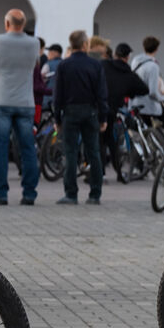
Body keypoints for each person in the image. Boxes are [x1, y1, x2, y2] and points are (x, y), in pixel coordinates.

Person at [0, 9, 40, 205]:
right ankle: (29, 194)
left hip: (0, 100)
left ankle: (0, 194)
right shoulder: (35, 43)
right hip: (25, 102)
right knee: (27, 148)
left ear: (7, 23)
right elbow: (35, 65)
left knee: (0, 146)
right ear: (23, 24)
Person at [54, 30, 108, 204]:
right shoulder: (95, 65)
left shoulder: (63, 65)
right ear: (85, 45)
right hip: (90, 112)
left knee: (70, 153)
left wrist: (57, 119)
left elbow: (58, 95)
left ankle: (71, 194)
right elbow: (101, 94)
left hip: (70, 112)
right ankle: (95, 194)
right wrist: (103, 117)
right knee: (94, 153)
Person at [102, 42, 147, 181]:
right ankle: (117, 173)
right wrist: (129, 91)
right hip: (113, 109)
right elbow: (144, 89)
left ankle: (97, 171)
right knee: (110, 141)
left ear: (115, 54)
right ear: (127, 57)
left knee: (99, 141)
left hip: (98, 105)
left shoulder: (103, 65)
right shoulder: (128, 74)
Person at [129, 36, 164, 145]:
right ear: (157, 49)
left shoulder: (135, 61)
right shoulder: (153, 66)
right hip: (148, 105)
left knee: (146, 131)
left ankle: (147, 154)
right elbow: (153, 92)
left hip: (135, 103)